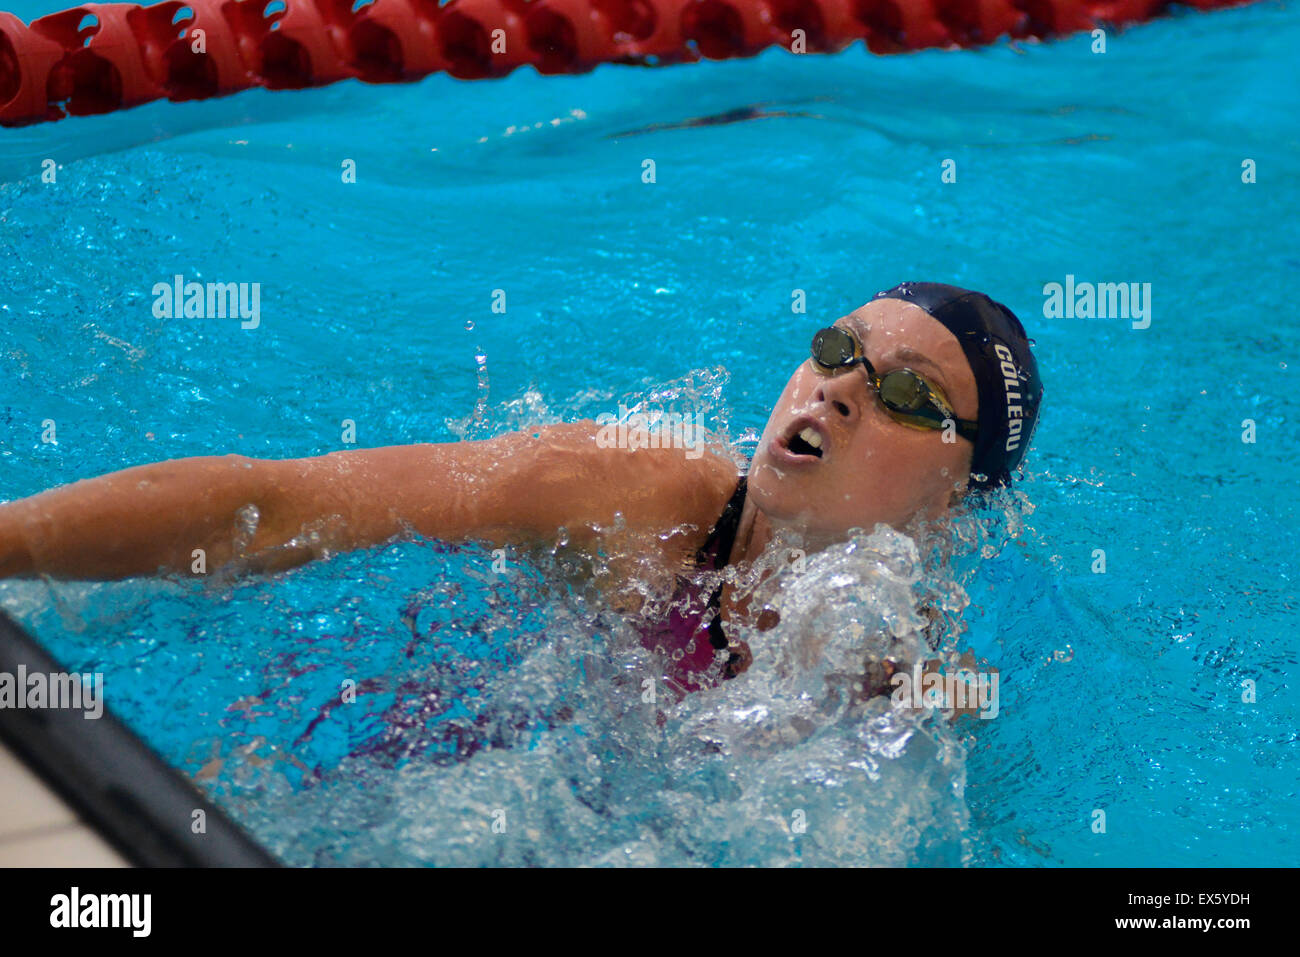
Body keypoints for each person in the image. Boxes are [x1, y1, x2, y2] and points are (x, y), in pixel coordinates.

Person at [0, 281, 1043, 697]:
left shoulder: (916, 686)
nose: (839, 390)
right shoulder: (631, 491)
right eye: (836, 350)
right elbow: (277, 505)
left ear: (959, 493)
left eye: (908, 393)